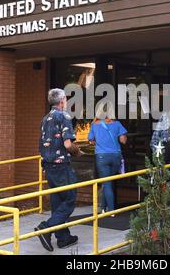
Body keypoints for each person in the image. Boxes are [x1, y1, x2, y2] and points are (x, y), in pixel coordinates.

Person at [35, 88, 81, 252]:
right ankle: (45, 228)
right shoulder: (64, 116)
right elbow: (68, 144)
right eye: (66, 100)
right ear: (62, 101)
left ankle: (63, 238)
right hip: (61, 166)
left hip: (48, 166)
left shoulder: (45, 118)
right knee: (69, 199)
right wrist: (77, 151)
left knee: (57, 201)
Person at [88, 102, 128, 215]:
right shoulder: (117, 124)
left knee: (107, 183)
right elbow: (123, 141)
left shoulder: (94, 125)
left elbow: (91, 140)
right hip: (115, 156)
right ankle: (104, 207)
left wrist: (100, 141)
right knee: (108, 182)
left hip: (101, 156)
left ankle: (111, 210)